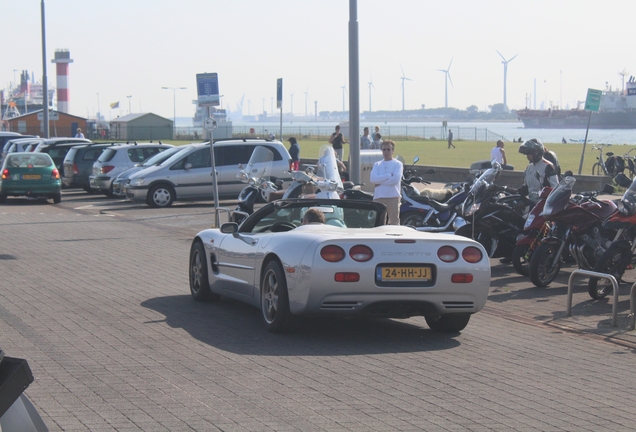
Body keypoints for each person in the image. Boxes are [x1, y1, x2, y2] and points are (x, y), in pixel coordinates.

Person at [370, 140, 403, 225]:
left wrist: (380, 182)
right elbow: (373, 179)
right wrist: (388, 175)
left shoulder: (398, 164)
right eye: (384, 149)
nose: (386, 152)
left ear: (393, 151)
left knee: (394, 222)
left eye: (388, 149)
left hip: (393, 197)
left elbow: (395, 180)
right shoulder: (377, 164)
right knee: (377, 222)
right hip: (379, 197)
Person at [518, 138, 559, 204]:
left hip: (543, 205)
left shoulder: (548, 167)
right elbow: (525, 189)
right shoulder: (529, 167)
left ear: (537, 153)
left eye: (529, 154)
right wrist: (507, 190)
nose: (527, 157)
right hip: (531, 203)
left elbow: (555, 189)